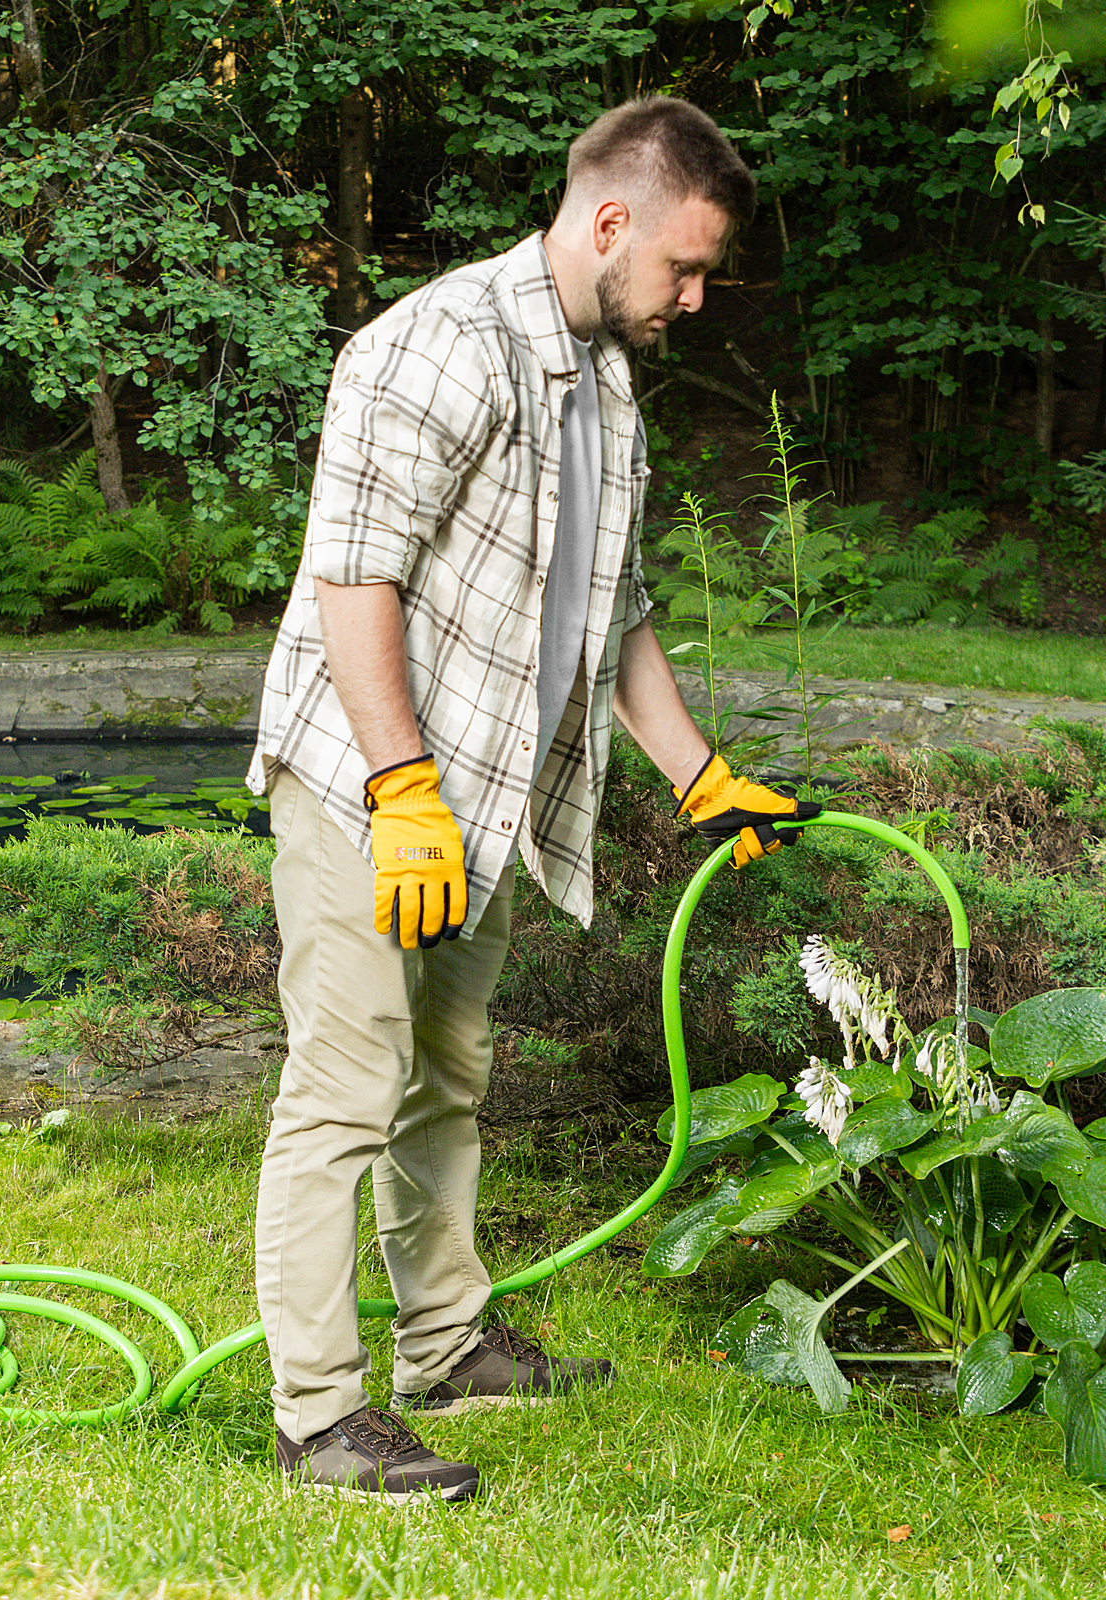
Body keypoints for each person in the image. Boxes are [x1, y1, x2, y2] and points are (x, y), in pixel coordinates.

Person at [244, 95, 820, 1504]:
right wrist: (403, 793)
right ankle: (318, 1419)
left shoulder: (605, 377)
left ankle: (444, 1344)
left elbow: (611, 614)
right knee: (346, 1083)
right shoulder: (435, 346)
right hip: (369, 784)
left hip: (479, 801)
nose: (694, 296)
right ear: (609, 221)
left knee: (450, 1077)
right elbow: (353, 576)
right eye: (685, 268)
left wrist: (698, 772)